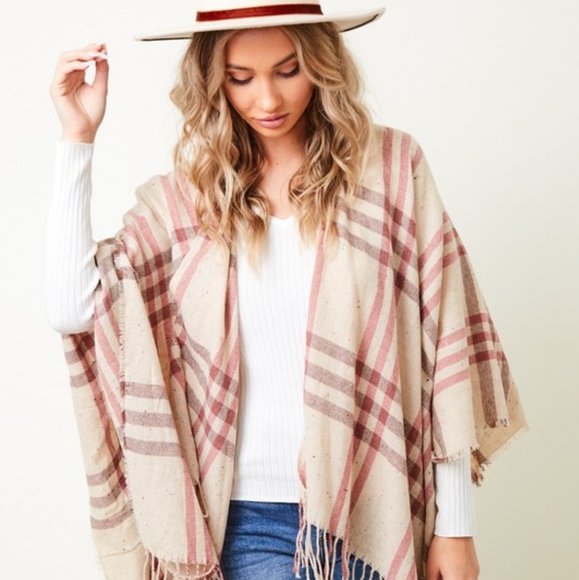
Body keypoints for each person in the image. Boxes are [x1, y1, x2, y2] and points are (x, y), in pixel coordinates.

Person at [46, 1, 526, 579]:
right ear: (212, 81)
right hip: (245, 521)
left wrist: (456, 526)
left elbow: (442, 345)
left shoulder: (393, 169)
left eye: (288, 69)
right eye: (240, 78)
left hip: (376, 510)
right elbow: (73, 308)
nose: (267, 99)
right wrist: (77, 137)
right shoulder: (185, 201)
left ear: (321, 63)